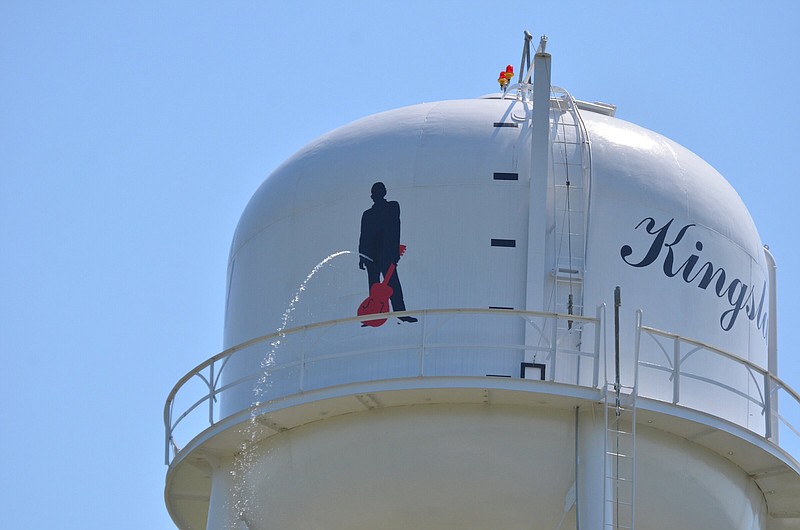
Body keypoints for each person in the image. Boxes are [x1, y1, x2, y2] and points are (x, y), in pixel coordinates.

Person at [359, 182, 417, 323]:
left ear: (384, 193)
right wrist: (361, 256)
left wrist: (394, 252)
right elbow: (363, 235)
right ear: (372, 196)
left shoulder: (392, 206)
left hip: (386, 253)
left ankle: (401, 313)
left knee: (393, 285)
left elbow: (395, 228)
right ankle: (373, 316)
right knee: (373, 287)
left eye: (379, 192)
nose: (376, 195)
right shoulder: (367, 214)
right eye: (374, 193)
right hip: (370, 256)